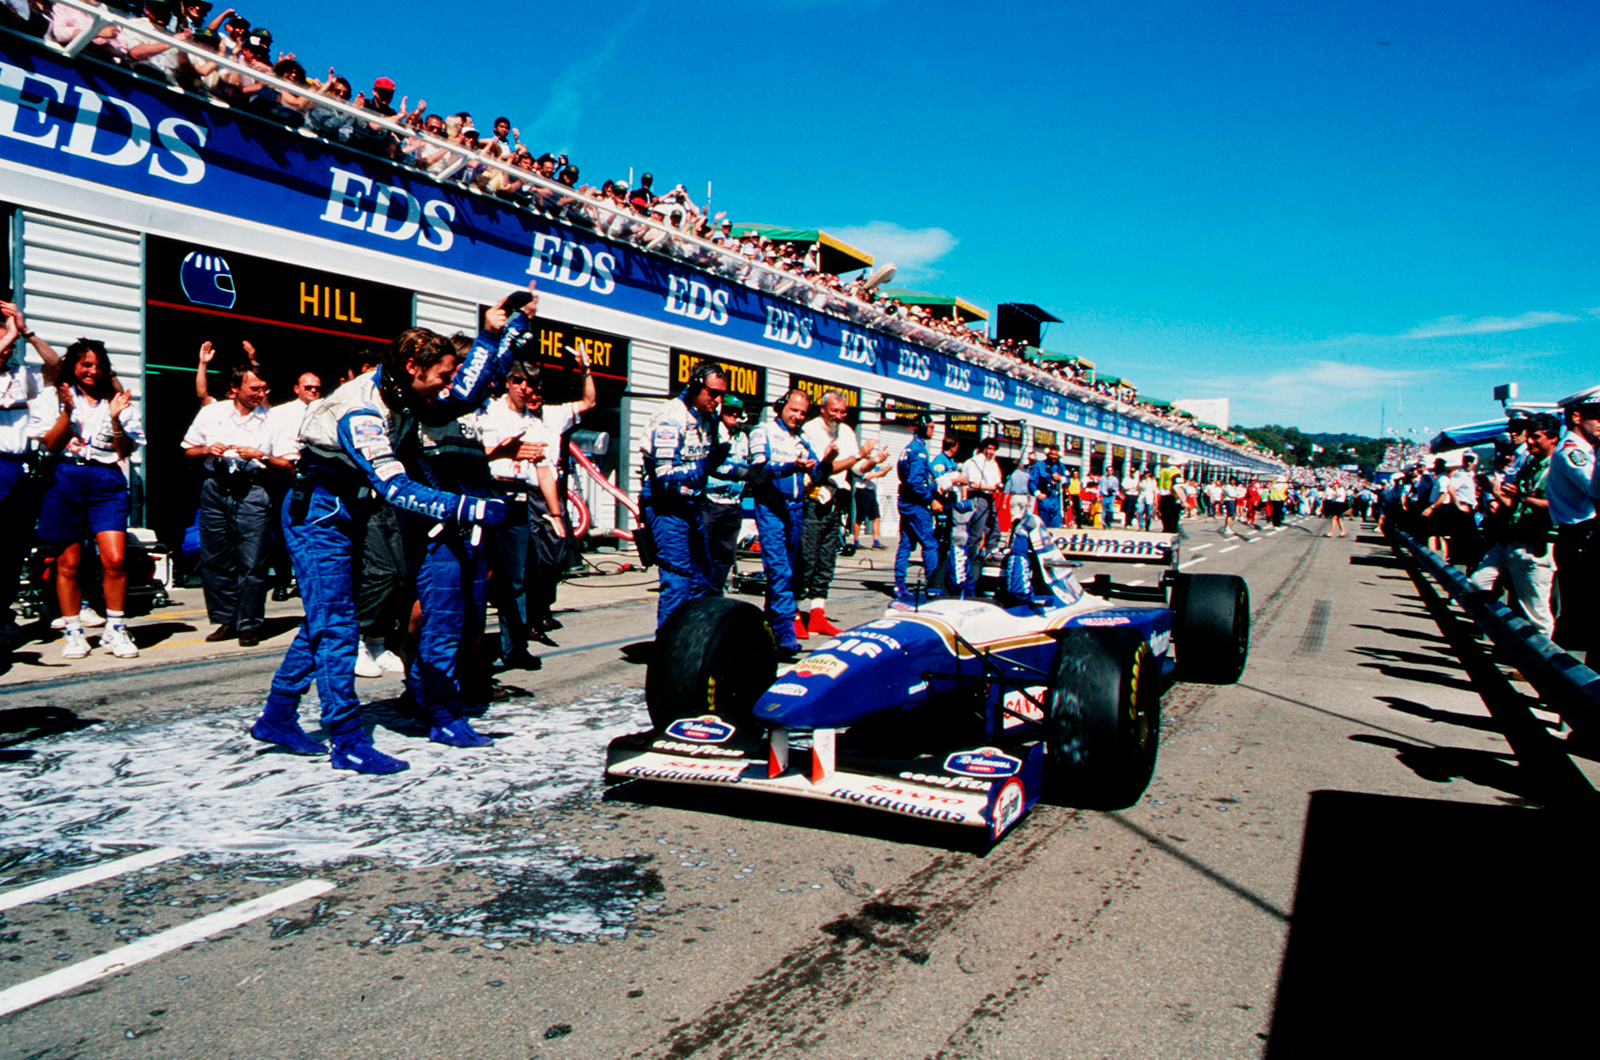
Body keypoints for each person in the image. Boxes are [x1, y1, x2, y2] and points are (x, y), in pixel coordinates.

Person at [251, 295, 527, 774]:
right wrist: (472, 507)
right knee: (337, 625)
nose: (446, 384)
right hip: (316, 513)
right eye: (440, 374)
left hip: (345, 508)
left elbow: (465, 392)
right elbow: (397, 488)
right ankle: (347, 738)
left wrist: (493, 334)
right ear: (411, 366)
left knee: (324, 620)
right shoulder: (362, 411)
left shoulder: (404, 388)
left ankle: (276, 716)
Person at [32, 338, 144, 660]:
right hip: (66, 476)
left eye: (98, 365)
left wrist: (114, 419)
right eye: (86, 365)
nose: (93, 371)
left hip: (106, 478)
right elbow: (52, 444)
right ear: (73, 367)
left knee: (116, 559)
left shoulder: (118, 400)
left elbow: (125, 451)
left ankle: (116, 629)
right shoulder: (54, 396)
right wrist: (67, 411)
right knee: (69, 562)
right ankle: (73, 631)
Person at [181, 362, 286, 645]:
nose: (260, 394)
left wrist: (260, 456)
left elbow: (288, 466)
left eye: (264, 389)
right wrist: (205, 449)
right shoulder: (211, 413)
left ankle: (250, 623)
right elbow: (188, 451)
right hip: (215, 486)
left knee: (252, 560)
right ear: (235, 389)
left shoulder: (274, 419)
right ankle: (226, 620)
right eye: (254, 388)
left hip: (253, 489)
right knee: (215, 559)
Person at [474, 359, 562, 667]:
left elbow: (545, 472)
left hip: (520, 501)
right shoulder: (486, 411)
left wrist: (557, 515)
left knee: (516, 578)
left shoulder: (536, 425)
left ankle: (516, 647)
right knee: (479, 577)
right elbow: (475, 455)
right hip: (488, 494)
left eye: (531, 384)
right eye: (519, 381)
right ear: (507, 382)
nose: (525, 388)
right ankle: (470, 651)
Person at [640, 361, 726, 631]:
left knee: (703, 575)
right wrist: (704, 465)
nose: (717, 399)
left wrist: (753, 472)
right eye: (713, 393)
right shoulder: (671, 418)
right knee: (678, 578)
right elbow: (664, 474)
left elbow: (717, 462)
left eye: (721, 393)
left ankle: (693, 640)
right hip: (666, 504)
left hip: (691, 502)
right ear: (695, 386)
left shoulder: (708, 416)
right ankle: (668, 650)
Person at [749, 390, 830, 651]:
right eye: (793, 410)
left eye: (803, 413)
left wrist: (827, 461)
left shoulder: (803, 438)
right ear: (781, 406)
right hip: (771, 507)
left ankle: (768, 627)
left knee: (791, 573)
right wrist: (790, 467)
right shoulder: (762, 431)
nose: (798, 416)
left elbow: (816, 474)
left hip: (796, 509)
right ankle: (786, 633)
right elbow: (758, 470)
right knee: (779, 570)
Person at [0, 303, 59, 660]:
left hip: (19, 466)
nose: (8, 347)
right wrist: (6, 333)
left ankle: (3, 615)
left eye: (9, 343)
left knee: (11, 549)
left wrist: (27, 333)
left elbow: (58, 368)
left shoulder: (21, 375)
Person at [1469, 414, 1560, 638]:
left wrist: (1522, 498)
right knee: (1479, 582)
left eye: (1536, 437)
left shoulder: (1558, 469)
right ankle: (1506, 637)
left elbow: (1555, 506)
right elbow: (1513, 503)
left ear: (1553, 439)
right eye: (1528, 436)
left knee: (1537, 612)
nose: (1529, 442)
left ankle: (1539, 666)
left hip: (1536, 544)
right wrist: (1493, 491)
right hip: (1511, 539)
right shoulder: (1529, 467)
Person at [796, 390, 876, 636]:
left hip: (836, 499)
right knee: (806, 558)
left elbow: (859, 468)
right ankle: (795, 613)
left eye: (843, 412)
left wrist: (871, 460)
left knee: (826, 559)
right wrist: (858, 456)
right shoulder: (810, 430)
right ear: (823, 409)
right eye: (835, 411)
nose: (839, 416)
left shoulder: (847, 432)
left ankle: (818, 613)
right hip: (814, 498)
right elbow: (823, 469)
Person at [1549, 385, 1599, 659]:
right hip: (1582, 540)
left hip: (1584, 539)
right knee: (1581, 619)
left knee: (1586, 622)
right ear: (1577, 417)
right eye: (1597, 415)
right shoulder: (1572, 452)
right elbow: (1596, 488)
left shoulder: (1587, 450)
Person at [701, 394, 751, 594]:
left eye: (737, 412)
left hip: (733, 503)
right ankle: (698, 593)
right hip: (710, 501)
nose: (734, 415)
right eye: (730, 411)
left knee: (725, 554)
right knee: (703, 550)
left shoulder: (743, 437)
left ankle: (715, 593)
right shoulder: (712, 433)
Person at [894, 413, 940, 595]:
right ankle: (933, 585)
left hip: (905, 502)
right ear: (923, 427)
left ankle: (899, 585)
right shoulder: (920, 451)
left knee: (905, 543)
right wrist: (931, 499)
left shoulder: (908, 448)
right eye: (931, 426)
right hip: (916, 505)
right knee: (930, 544)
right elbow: (916, 482)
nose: (933, 430)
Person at [959, 437, 1002, 566]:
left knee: (994, 530)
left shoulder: (993, 463)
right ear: (983, 448)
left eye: (994, 449)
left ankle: (989, 558)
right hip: (978, 497)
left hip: (990, 498)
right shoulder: (974, 462)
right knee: (976, 533)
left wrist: (998, 485)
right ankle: (968, 563)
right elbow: (973, 483)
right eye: (989, 448)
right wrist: (992, 487)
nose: (991, 452)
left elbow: (997, 480)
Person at [1029, 445, 1069, 529]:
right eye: (1051, 454)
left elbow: (1068, 482)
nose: (1053, 457)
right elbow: (1031, 482)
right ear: (1047, 454)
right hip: (1045, 498)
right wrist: (1038, 494)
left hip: (1057, 500)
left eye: (1055, 455)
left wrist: (1061, 478)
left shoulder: (1061, 466)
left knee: (1056, 527)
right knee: (1044, 527)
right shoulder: (1039, 466)